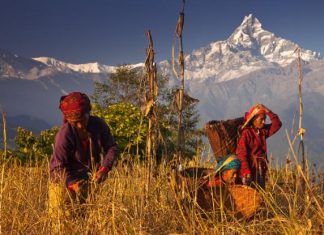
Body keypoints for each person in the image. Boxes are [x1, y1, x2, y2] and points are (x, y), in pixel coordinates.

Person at [48, 92, 118, 219]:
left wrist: (104, 169)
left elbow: (111, 147)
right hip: (63, 184)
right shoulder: (64, 135)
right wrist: (72, 184)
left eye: (82, 119)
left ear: (89, 112)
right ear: (69, 120)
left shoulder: (98, 125)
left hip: (87, 181)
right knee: (64, 224)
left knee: (87, 221)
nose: (80, 125)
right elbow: (57, 167)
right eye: (75, 122)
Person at [236, 103, 282, 189]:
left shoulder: (262, 131)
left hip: (260, 168)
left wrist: (268, 111)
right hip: (250, 170)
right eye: (261, 119)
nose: (264, 122)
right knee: (250, 195)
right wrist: (246, 172)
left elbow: (277, 124)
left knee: (260, 194)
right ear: (254, 119)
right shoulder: (246, 134)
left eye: (265, 119)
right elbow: (241, 154)